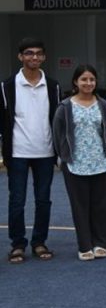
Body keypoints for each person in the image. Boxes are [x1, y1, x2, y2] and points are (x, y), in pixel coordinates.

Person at [1, 38, 62, 263]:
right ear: (20, 57)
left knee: (43, 200)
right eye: (29, 53)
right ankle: (17, 244)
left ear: (44, 57)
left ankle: (39, 242)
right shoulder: (7, 86)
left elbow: (58, 119)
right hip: (17, 153)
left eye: (38, 53)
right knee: (17, 200)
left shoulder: (53, 86)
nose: (34, 57)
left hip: (45, 153)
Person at [52, 65, 106, 261]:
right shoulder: (65, 106)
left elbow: (105, 130)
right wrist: (63, 157)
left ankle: (102, 243)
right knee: (80, 207)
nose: (88, 83)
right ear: (75, 82)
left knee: (102, 206)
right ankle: (85, 245)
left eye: (92, 80)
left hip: (100, 162)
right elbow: (57, 133)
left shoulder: (102, 104)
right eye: (84, 80)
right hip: (75, 164)